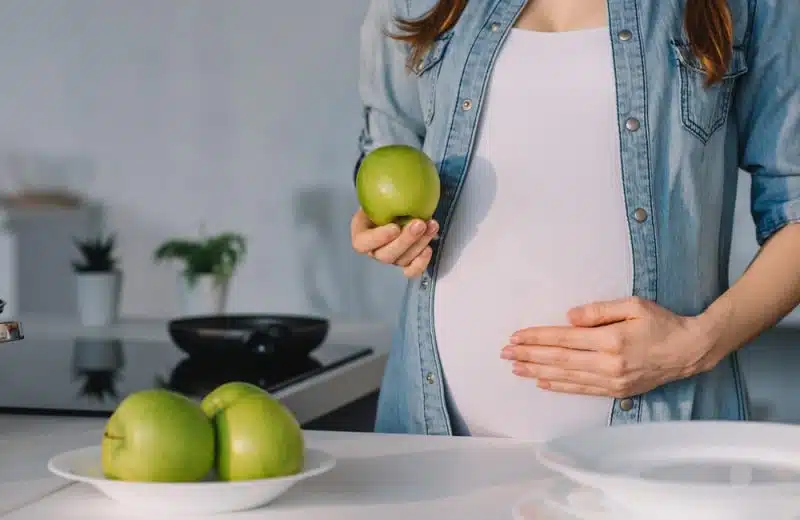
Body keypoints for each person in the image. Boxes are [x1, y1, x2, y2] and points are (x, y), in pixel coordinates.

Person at [350, 0, 800, 440]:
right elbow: (389, 153)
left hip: (657, 449)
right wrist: (385, 232)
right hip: (435, 437)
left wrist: (696, 345)